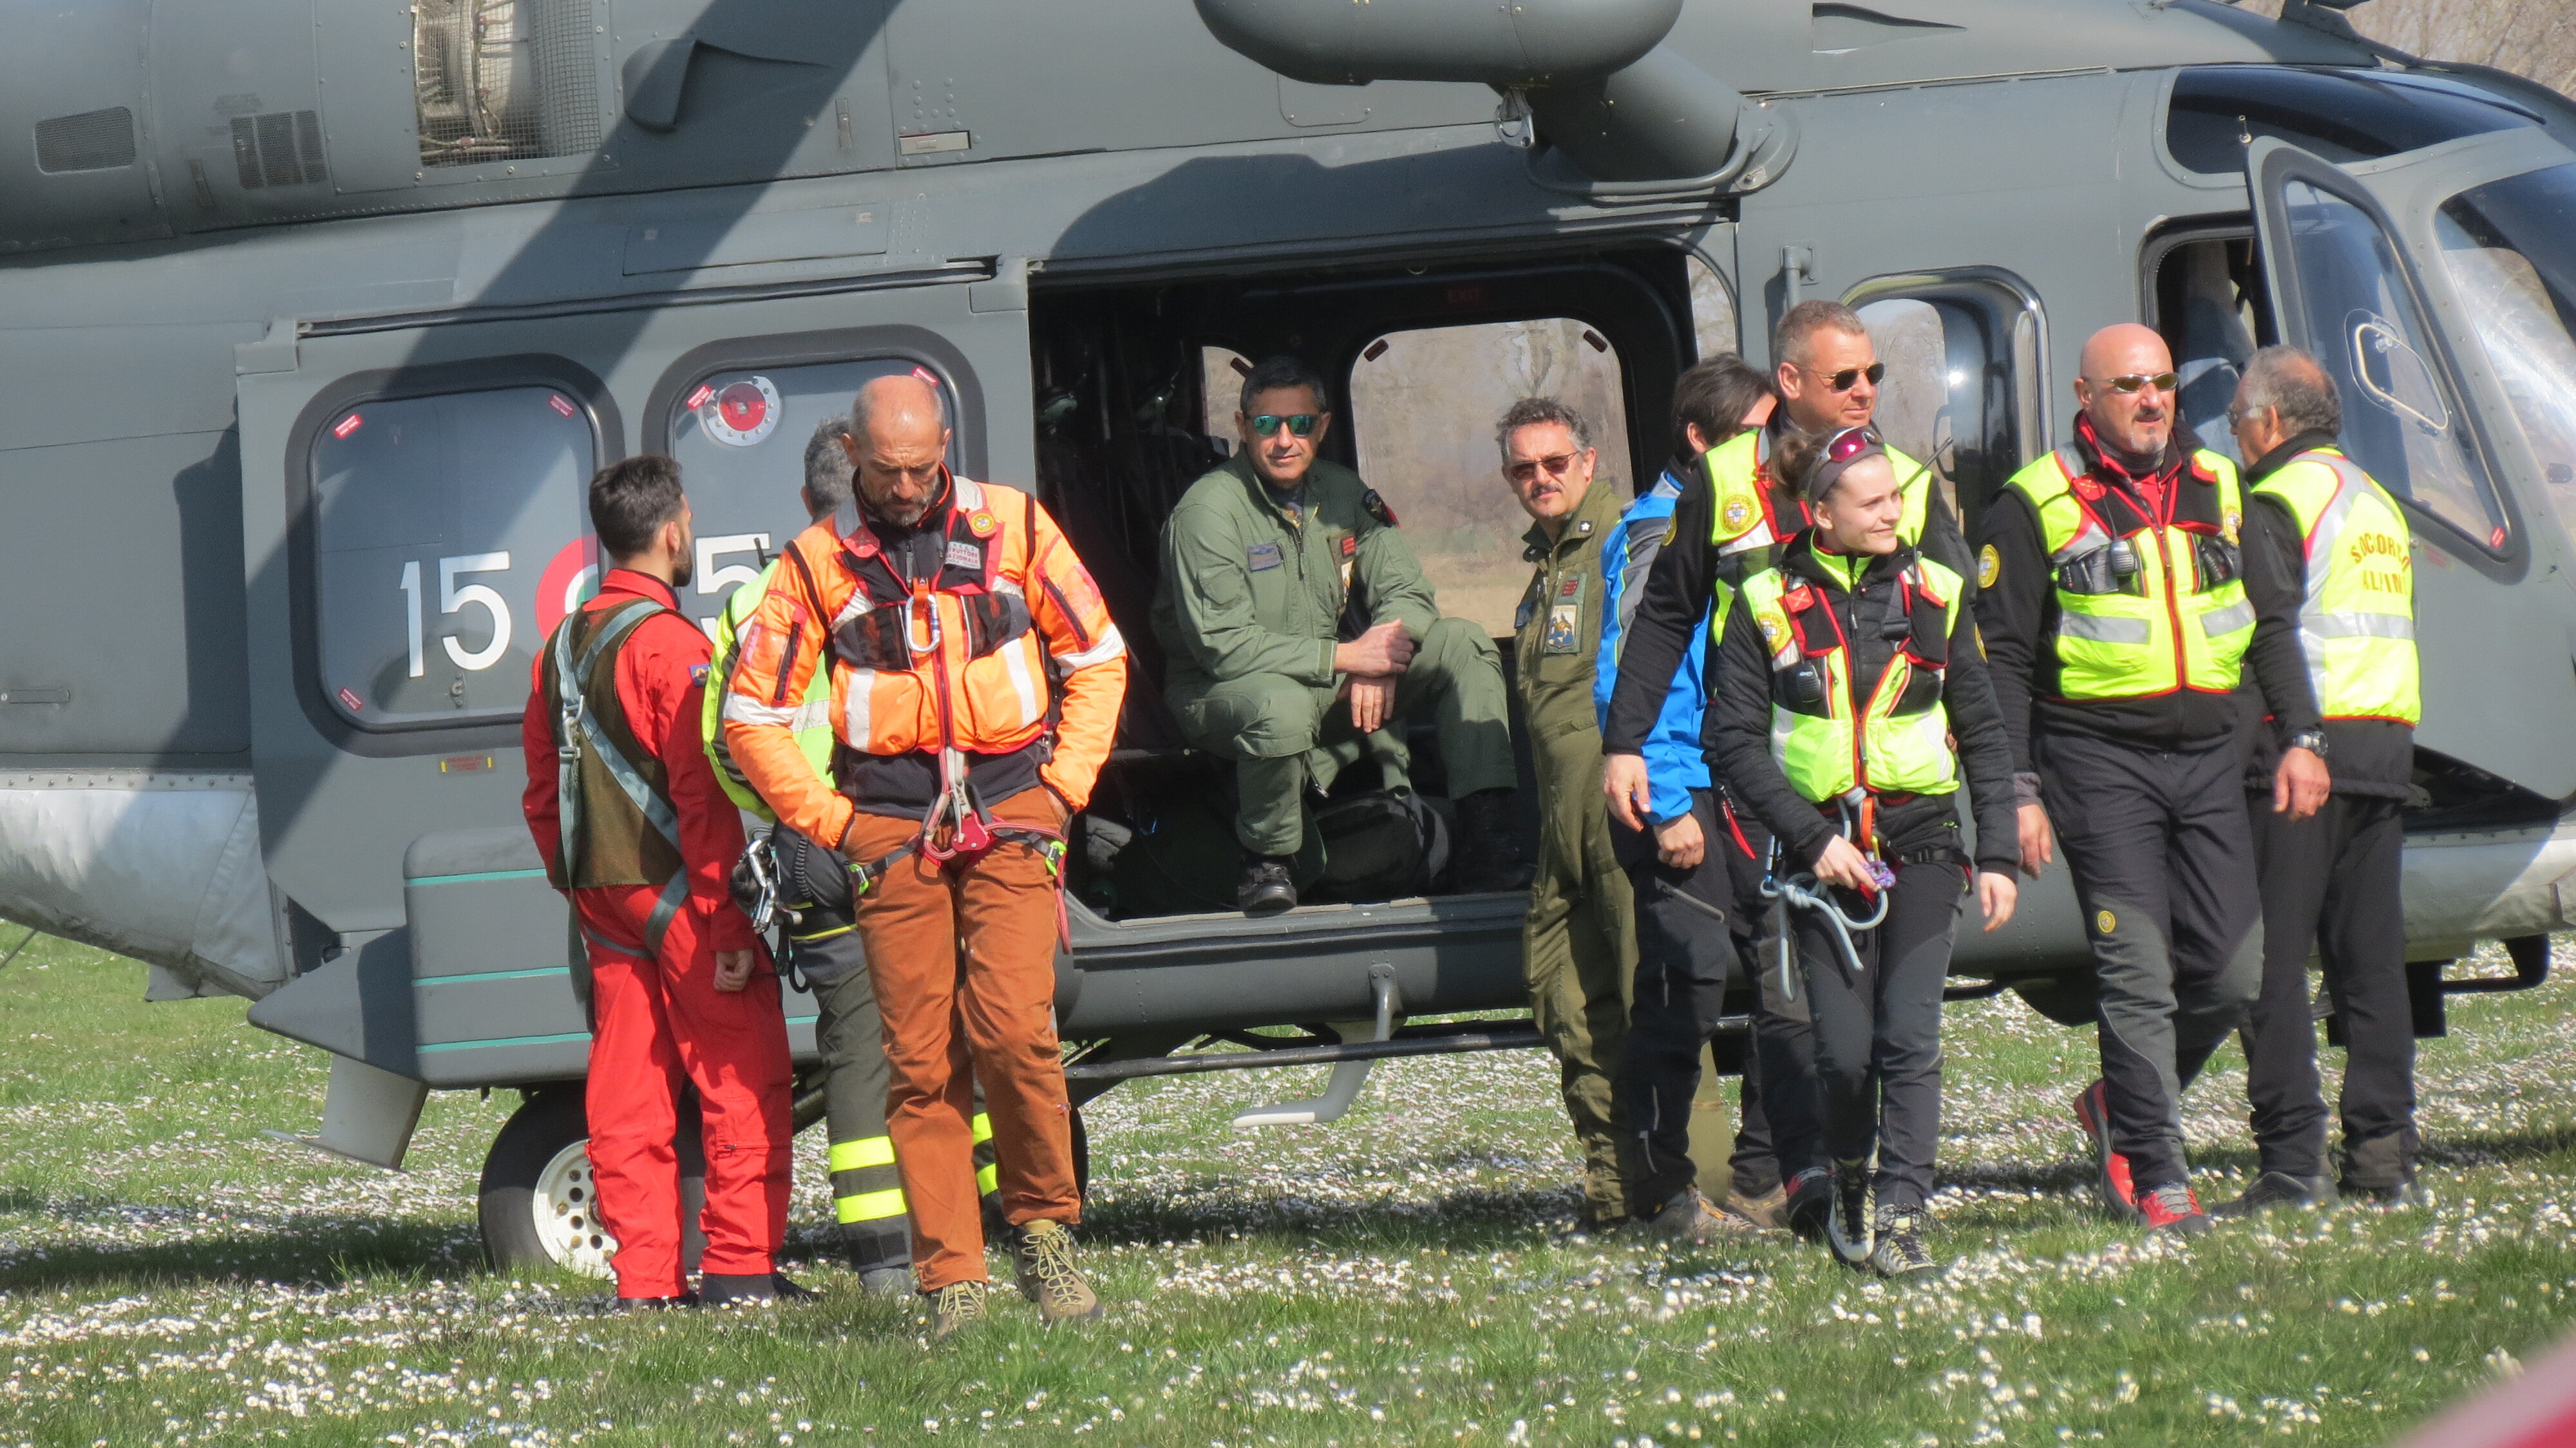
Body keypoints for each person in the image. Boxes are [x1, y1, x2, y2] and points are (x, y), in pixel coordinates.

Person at [722, 375, 1127, 1337]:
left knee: (1017, 1032)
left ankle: (1044, 1234)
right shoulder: (817, 564)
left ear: (945, 442)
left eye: (921, 467)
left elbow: (1099, 658)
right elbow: (752, 717)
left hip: (1015, 809)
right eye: (887, 470)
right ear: (854, 454)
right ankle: (953, 1277)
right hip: (889, 830)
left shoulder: (1017, 529)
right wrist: (834, 825)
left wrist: (1062, 788)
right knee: (920, 1060)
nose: (907, 489)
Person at [1604, 300, 1967, 1235]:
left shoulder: (1906, 487)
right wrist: (1627, 745)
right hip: (1754, 770)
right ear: (1791, 383)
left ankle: (1865, 1177)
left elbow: (1968, 641)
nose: (1865, 393)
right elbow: (1663, 621)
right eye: (1846, 378)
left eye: (1875, 377)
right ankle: (1809, 1176)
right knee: (1787, 984)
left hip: (1874, 784)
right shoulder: (1723, 481)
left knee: (1868, 1005)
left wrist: (2002, 776)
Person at [1975, 323, 2327, 1237]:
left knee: (2237, 974)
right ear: (2086, 399)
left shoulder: (2222, 486)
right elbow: (2003, 661)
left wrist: (2303, 736)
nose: (2151, 400)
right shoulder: (2034, 502)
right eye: (2129, 385)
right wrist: (2015, 790)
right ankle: (2157, 1171)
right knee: (2139, 974)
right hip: (2097, 765)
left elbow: (2271, 624)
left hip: (2214, 758)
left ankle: (2119, 1104)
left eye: (2164, 383)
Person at [1707, 426, 2021, 1277]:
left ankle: (1904, 1212)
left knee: (1909, 1036)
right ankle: (1850, 1181)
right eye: (1874, 500)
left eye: (1897, 496)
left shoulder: (1940, 593)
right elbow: (1730, 741)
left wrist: (1996, 852)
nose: (1895, 511)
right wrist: (1811, 841)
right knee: (1842, 1053)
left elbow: (1985, 734)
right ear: (1821, 513)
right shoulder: (1763, 602)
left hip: (1921, 840)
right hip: (1820, 862)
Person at [703, 414, 999, 1297]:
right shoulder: (922, 583)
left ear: (807, 500)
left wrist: (802, 819)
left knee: (860, 1053)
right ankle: (994, 1237)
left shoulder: (759, 596)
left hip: (813, 851)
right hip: (905, 840)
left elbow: (730, 741)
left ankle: (883, 1267)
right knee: (955, 1038)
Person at [521, 455, 799, 1309]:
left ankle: (644, 1281)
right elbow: (702, 798)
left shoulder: (557, 653)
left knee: (628, 1097)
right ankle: (741, 1270)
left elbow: (541, 795)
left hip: (605, 904)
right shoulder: (671, 646)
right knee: (742, 1078)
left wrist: (582, 892)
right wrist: (723, 929)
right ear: (673, 530)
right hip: (683, 899)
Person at [1151, 354, 1528, 915]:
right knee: (1276, 706)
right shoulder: (1209, 511)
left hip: (1323, 678)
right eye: (1267, 424)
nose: (1284, 439)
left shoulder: (1344, 494)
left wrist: (1375, 658)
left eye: (1300, 424)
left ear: (1322, 427)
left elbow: (1408, 592)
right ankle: (1268, 862)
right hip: (1221, 692)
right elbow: (1224, 647)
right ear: (1242, 427)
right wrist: (1349, 657)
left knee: (1463, 642)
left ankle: (1488, 840)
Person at [2213, 347, 2422, 1214]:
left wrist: (2278, 738)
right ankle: (2383, 1156)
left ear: (2268, 422)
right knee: (2370, 964)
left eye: (2234, 421)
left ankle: (2291, 1162)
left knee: (2271, 965)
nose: (2231, 436)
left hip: (2303, 755)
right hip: (2382, 752)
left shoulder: (2278, 500)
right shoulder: (2375, 501)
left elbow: (2268, 630)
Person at [1595, 355, 1793, 1237]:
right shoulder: (1656, 529)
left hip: (1751, 787)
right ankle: (1663, 1189)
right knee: (1686, 994)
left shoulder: (1747, 514)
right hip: (1685, 792)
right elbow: (1636, 671)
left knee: (1788, 984)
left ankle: (1764, 1177)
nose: (1777, 448)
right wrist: (1669, 799)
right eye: (1758, 432)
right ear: (1701, 439)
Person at [1499, 396, 1640, 1233]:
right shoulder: (1547, 566)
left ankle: (1679, 1186)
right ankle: (1615, 1187)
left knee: (1640, 991)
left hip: (1617, 804)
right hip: (1562, 813)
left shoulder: (1622, 548)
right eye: (1524, 468)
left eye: (1555, 464)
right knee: (1565, 994)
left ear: (1588, 463)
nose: (1541, 480)